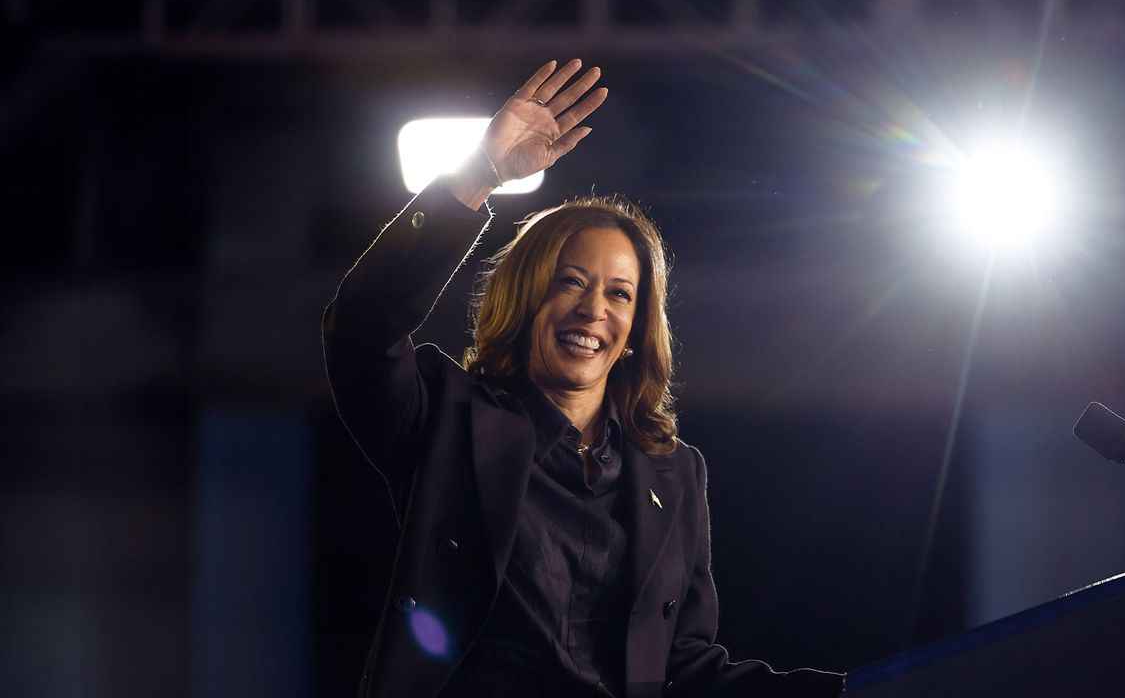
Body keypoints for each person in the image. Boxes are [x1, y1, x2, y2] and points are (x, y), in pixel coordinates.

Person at [322, 59, 845, 698]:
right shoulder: (445, 417)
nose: (594, 309)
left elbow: (683, 662)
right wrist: (478, 174)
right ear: (525, 298)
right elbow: (361, 328)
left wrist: (853, 692)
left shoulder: (674, 474)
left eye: (620, 294)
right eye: (571, 281)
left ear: (634, 330)